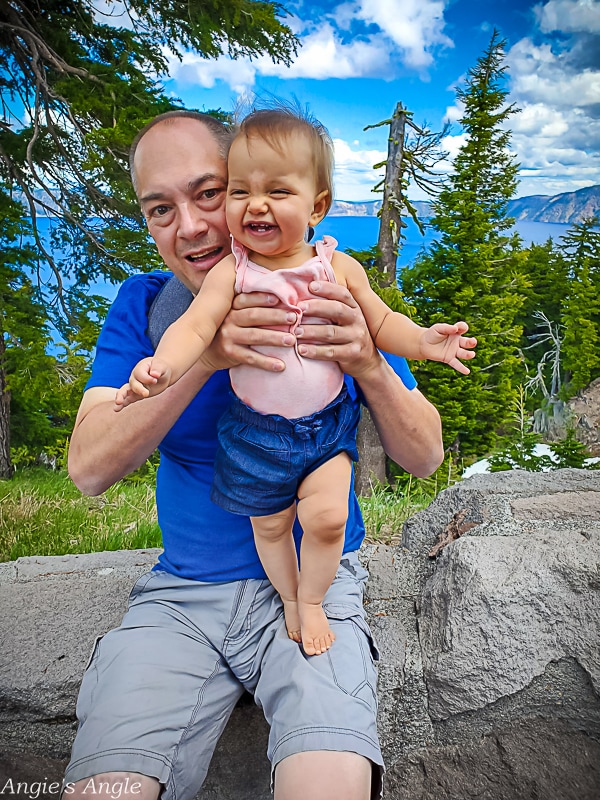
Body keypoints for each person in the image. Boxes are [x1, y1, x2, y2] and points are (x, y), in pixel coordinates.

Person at [65, 108, 446, 800]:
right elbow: (89, 467)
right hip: (184, 597)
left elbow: (425, 455)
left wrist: (368, 360)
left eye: (209, 192)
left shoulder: (326, 286)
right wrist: (202, 358)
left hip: (318, 588)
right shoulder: (145, 307)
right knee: (107, 784)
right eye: (160, 209)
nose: (192, 226)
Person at [114, 107, 476, 656]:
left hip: (324, 430)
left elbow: (384, 326)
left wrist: (418, 343)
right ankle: (291, 597)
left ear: (317, 206)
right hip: (250, 446)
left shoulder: (337, 271)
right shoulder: (224, 276)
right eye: (241, 191)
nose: (255, 205)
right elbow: (192, 328)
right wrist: (165, 367)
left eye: (275, 191)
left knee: (327, 518)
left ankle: (311, 600)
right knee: (271, 528)